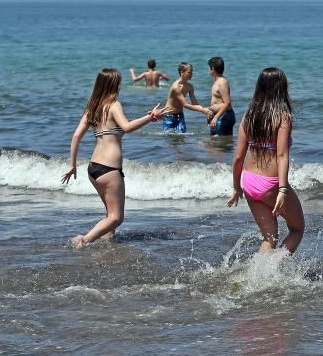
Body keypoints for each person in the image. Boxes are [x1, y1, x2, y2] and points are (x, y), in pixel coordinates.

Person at [61, 68, 170, 249]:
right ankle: (84, 240)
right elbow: (126, 127)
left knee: (109, 214)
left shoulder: (92, 108)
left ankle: (109, 244)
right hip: (110, 169)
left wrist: (72, 165)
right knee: (116, 217)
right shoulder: (114, 105)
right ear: (113, 85)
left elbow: (75, 137)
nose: (120, 86)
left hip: (93, 168)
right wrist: (150, 117)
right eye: (118, 82)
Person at [227, 67, 305, 253]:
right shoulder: (283, 117)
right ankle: (272, 272)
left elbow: (238, 157)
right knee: (297, 229)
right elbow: (281, 154)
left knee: (269, 238)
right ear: (281, 89)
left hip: (249, 181)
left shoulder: (248, 116)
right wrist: (283, 189)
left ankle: (257, 276)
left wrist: (237, 187)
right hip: (270, 184)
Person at [162, 63, 213, 133]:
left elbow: (195, 103)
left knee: (182, 137)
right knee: (170, 138)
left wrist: (204, 110)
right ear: (182, 72)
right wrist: (201, 109)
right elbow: (185, 104)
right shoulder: (176, 86)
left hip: (180, 115)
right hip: (169, 115)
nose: (191, 74)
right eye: (189, 72)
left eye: (192, 72)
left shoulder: (190, 86)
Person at [207, 56, 235, 136]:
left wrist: (216, 117)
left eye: (209, 68)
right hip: (219, 116)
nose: (208, 70)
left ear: (212, 69)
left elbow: (227, 102)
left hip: (224, 116)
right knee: (215, 143)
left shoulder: (222, 82)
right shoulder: (217, 81)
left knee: (219, 144)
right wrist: (211, 113)